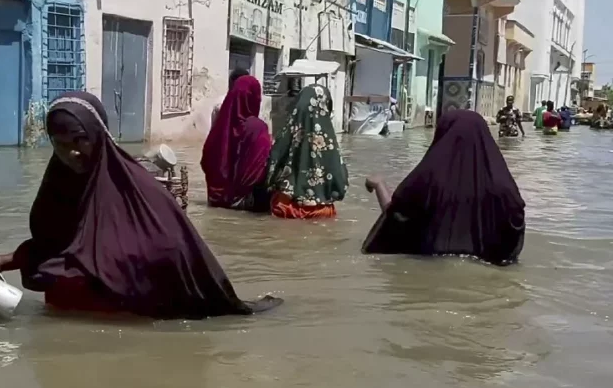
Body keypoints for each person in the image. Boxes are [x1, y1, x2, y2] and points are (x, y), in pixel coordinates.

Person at [0, 91, 282, 319]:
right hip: (63, 327)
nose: (71, 153)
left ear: (98, 136)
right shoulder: (58, 189)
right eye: (59, 144)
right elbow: (56, 244)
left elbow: (173, 249)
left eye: (80, 140)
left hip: (121, 328)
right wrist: (7, 259)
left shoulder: (143, 194)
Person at [362, 110, 525, 266]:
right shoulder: (503, 187)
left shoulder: (426, 178)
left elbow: (395, 222)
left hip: (426, 275)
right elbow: (512, 237)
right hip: (484, 283)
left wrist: (379, 185)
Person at [265, 84, 349, 219]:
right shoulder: (330, 145)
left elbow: (271, 170)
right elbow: (341, 183)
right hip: (322, 212)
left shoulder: (285, 137)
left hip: (286, 209)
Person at [201, 75, 272, 211]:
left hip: (217, 200)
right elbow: (258, 171)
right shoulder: (258, 128)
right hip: (246, 204)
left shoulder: (218, 130)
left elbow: (206, 161)